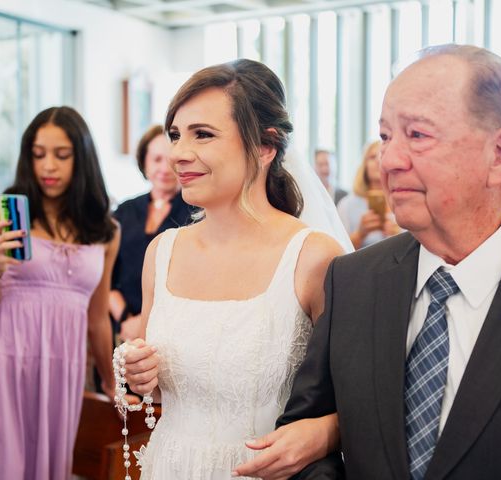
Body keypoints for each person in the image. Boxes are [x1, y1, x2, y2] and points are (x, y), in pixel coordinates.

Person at [238, 44, 501, 479]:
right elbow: (303, 441)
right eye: (385, 136)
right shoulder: (353, 281)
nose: (388, 162)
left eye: (416, 135)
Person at [123, 59, 345, 479]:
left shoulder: (312, 256)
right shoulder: (162, 252)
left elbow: (360, 397)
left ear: (265, 146)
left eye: (202, 135)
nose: (178, 155)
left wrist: (323, 434)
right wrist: (142, 374)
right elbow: (160, 388)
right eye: (176, 135)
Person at [0, 106, 120, 480]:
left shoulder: (105, 231)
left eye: (61, 155)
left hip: (61, 380)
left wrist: (111, 383)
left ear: (83, 157)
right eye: (38, 154)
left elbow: (97, 319)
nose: (48, 167)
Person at [110, 124, 194, 342]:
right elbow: (106, 276)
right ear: (144, 163)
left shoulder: (197, 212)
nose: (165, 169)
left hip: (174, 329)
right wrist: (126, 319)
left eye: (170, 160)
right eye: (156, 159)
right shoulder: (123, 211)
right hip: (123, 328)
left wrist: (146, 322)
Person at [336, 141, 400, 249]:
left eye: (382, 155)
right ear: (364, 165)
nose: (378, 160)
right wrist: (360, 234)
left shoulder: (404, 201)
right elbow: (338, 251)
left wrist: (398, 236)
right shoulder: (347, 205)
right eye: (372, 157)